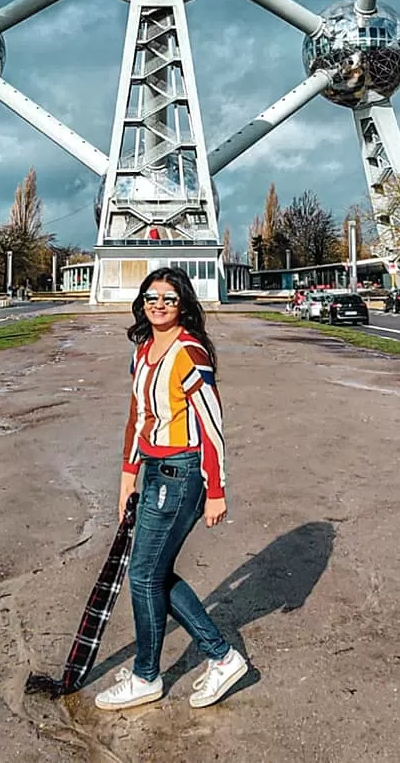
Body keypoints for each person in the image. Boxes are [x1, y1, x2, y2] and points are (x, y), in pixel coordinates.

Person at [94, 267, 248, 712]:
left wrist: (216, 489)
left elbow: (212, 426)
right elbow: (137, 414)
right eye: (151, 297)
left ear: (184, 304)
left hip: (183, 474)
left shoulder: (189, 352)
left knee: (144, 574)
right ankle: (218, 657)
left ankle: (159, 672)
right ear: (141, 302)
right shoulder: (143, 349)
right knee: (152, 572)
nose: (158, 305)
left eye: (169, 298)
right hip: (155, 471)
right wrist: (127, 474)